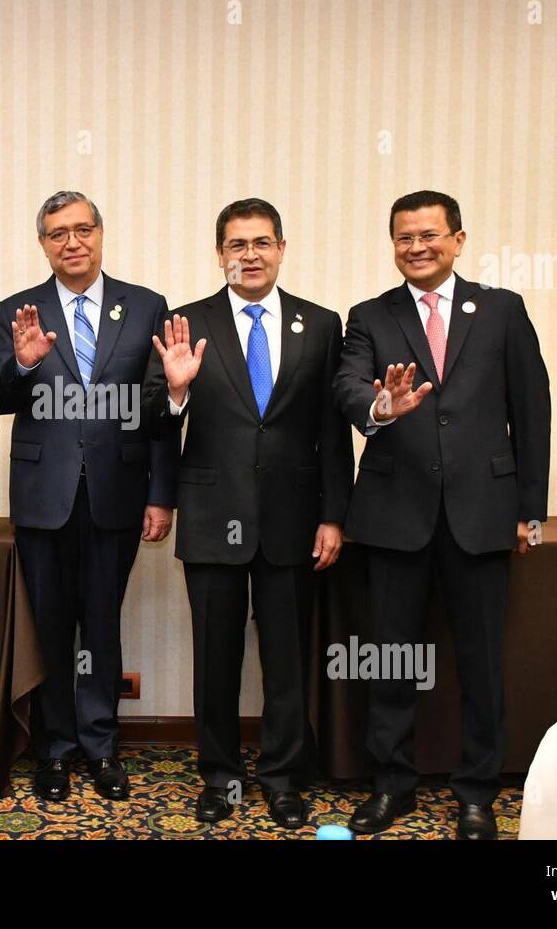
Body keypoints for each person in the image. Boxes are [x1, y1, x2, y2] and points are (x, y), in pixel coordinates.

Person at [333, 190, 551, 839]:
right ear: (392, 244)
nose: (417, 246)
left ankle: (478, 791)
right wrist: (379, 409)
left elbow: (532, 411)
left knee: (481, 663)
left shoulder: (503, 310)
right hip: (394, 513)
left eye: (430, 235)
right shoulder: (369, 316)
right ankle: (391, 784)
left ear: (458, 239)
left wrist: (530, 510)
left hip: (484, 513)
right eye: (404, 237)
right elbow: (349, 387)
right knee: (392, 659)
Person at [143, 197, 353, 829]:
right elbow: (153, 419)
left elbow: (331, 431)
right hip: (212, 516)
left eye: (262, 243)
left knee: (287, 659)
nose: (250, 255)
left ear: (282, 249)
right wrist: (176, 389)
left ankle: (286, 779)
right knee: (216, 658)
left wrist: (333, 515)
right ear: (220, 255)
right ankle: (221, 777)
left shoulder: (320, 325)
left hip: (294, 521)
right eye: (237, 245)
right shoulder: (186, 321)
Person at [0, 191, 178, 802]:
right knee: (48, 628)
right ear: (42, 243)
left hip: (117, 494)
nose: (71, 242)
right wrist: (20, 366)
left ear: (101, 233)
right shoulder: (17, 309)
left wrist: (161, 494)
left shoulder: (145, 306)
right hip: (44, 494)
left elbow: (156, 410)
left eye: (82, 229)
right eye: (56, 233)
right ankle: (53, 750)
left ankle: (99, 746)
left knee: (100, 624)